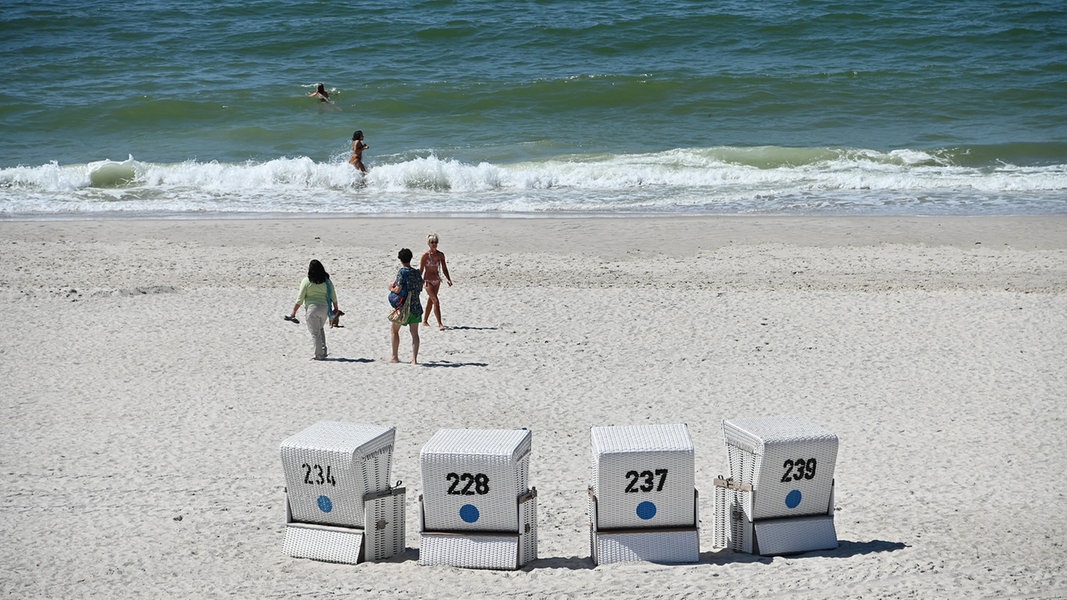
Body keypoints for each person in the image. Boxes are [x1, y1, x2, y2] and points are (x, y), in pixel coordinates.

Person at [289, 259, 341, 361]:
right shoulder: (327, 281)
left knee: (315, 333)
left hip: (312, 310)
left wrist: (293, 312)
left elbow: (300, 299)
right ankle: (323, 351)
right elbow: (333, 296)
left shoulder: (306, 281)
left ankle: (319, 355)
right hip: (324, 309)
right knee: (320, 329)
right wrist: (336, 308)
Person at [389, 248, 423, 364]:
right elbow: (420, 287)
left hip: (402, 307)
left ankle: (394, 357)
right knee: (414, 333)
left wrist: (391, 288)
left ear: (400, 259)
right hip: (415, 306)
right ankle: (414, 359)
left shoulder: (402, 272)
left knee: (394, 331)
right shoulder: (416, 272)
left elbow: (398, 289)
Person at [419, 233, 453, 330]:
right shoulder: (425, 256)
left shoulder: (440, 255)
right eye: (432, 242)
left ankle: (425, 320)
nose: (434, 244)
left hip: (437, 280)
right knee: (436, 301)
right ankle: (440, 323)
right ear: (429, 243)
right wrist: (418, 281)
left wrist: (449, 279)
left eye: (436, 242)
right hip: (428, 281)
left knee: (431, 300)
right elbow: (421, 270)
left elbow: (444, 268)